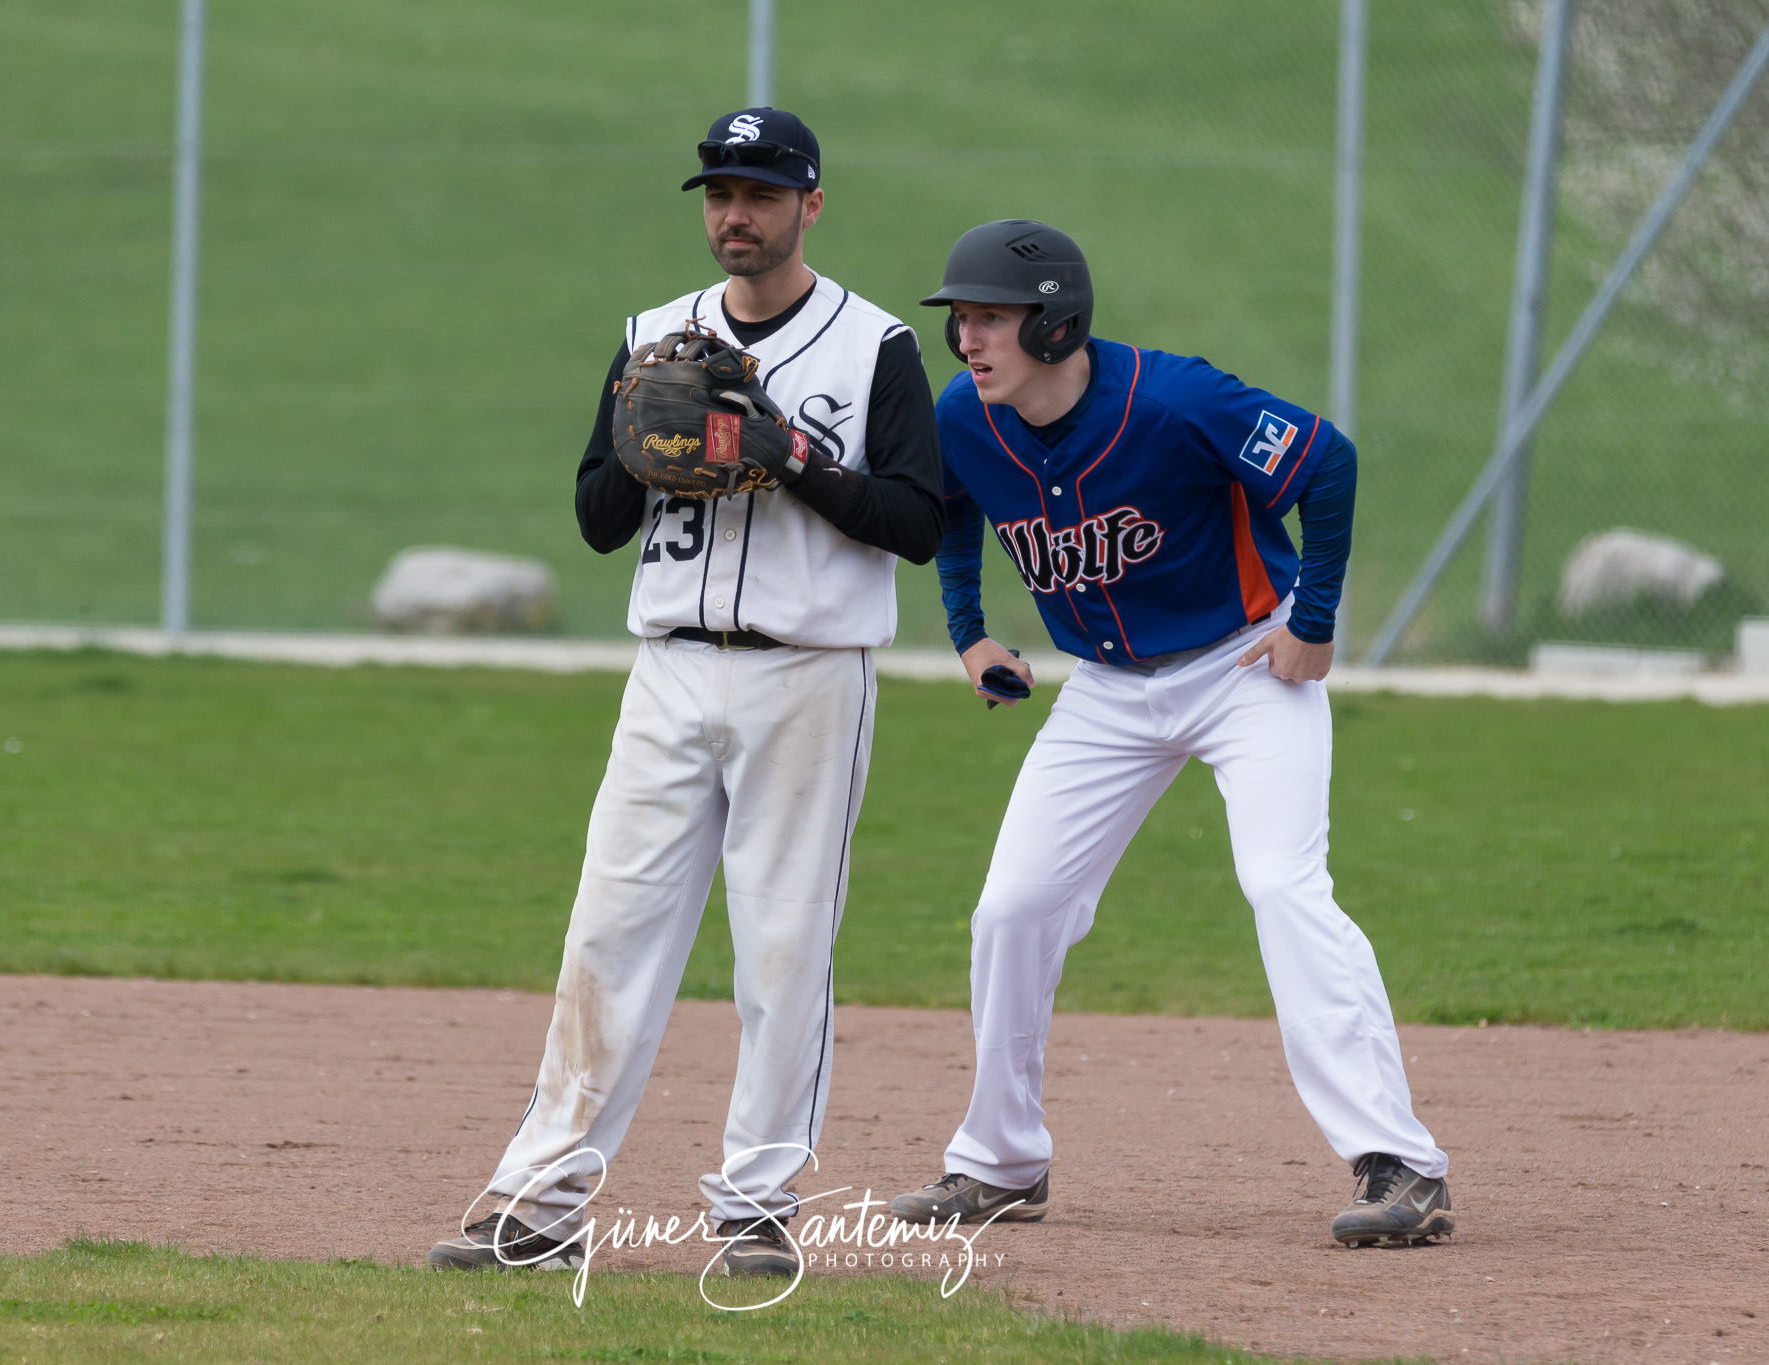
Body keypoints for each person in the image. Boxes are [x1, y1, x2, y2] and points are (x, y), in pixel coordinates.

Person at [428, 109, 944, 1279]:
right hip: (664, 672)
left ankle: (758, 1205)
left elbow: (916, 523)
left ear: (810, 205)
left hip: (808, 675)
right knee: (606, 934)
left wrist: (787, 455)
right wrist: (649, 442)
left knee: (782, 949)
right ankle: (542, 1203)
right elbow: (595, 520)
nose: (734, 215)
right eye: (718, 193)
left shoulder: (875, 347)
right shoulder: (654, 337)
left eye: (759, 194)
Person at [889, 220, 1452, 1249]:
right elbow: (953, 504)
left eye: (989, 319)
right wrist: (969, 633)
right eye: (959, 319)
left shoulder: (1175, 400)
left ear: (1055, 325)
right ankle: (1001, 1162)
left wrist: (1315, 621)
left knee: (1281, 885)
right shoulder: (967, 415)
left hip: (1244, 664)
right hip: (1106, 691)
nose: (966, 339)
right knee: (1011, 908)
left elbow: (1326, 463)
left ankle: (1400, 1163)